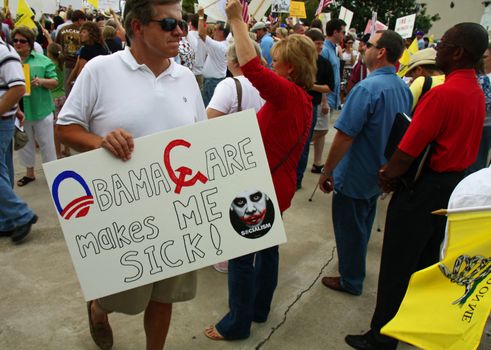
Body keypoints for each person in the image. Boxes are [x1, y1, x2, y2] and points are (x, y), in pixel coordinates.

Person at [56, 0, 206, 349]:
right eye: (169, 25)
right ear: (137, 27)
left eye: (181, 23)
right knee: (119, 293)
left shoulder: (185, 78)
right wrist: (99, 142)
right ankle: (98, 308)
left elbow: (199, 139)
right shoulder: (99, 70)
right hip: (119, 216)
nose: (180, 32)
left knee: (164, 296)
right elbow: (65, 129)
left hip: (175, 212)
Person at [345, 23, 488, 350]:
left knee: (397, 265)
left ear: (458, 52)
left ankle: (381, 337)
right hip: (451, 189)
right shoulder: (475, 91)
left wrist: (387, 175)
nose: (436, 48)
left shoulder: (443, 93)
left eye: (444, 43)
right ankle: (411, 326)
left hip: (422, 190)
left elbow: (408, 150)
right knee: (424, 263)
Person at [203, 0, 316, 341]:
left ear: (290, 68)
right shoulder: (302, 99)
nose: (271, 63)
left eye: (277, 59)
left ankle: (237, 323)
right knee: (267, 250)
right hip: (275, 187)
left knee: (241, 258)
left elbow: (250, 66)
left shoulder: (287, 95)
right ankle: (259, 309)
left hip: (261, 190)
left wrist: (236, 18)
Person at [317, 30, 412, 296]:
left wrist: (327, 171)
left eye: (368, 45)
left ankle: (351, 278)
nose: (362, 48)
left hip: (356, 173)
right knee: (362, 224)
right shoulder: (402, 87)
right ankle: (353, 268)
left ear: (381, 52)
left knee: (350, 227)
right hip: (378, 172)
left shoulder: (367, 88)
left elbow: (344, 136)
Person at [0, 35, 37, 244]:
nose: (18, 43)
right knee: (3, 170)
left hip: (1, 120)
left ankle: (21, 215)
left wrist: (10, 110)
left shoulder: (3, 53)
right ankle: (6, 219)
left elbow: (18, 88)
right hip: (5, 118)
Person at [12, 27, 58, 187]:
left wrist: (42, 82)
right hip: (20, 111)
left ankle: (53, 175)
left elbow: (54, 81)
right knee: (25, 144)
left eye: (22, 41)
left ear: (30, 43)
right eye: (15, 40)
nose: (18, 44)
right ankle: (29, 174)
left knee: (47, 144)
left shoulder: (43, 60)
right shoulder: (9, 61)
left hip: (41, 110)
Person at [296, 29, 334, 190]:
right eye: (318, 43)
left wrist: (312, 86)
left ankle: (297, 179)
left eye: (322, 43)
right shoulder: (297, 60)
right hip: (293, 104)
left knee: (303, 144)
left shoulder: (324, 63)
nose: (320, 47)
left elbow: (329, 87)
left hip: (311, 106)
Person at [311, 18, 345, 174]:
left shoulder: (333, 49)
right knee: (320, 129)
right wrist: (324, 100)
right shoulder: (324, 50)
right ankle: (312, 157)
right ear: (335, 32)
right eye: (343, 32)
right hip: (324, 98)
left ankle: (317, 161)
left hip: (331, 96)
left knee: (321, 129)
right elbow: (321, 77)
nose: (344, 35)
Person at [198, 7, 229, 107]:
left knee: (206, 110)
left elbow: (201, 34)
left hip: (212, 83)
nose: (213, 31)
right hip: (215, 81)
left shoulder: (218, 46)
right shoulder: (225, 43)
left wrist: (201, 16)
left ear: (221, 32)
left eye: (215, 29)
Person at [47, 42, 71, 158]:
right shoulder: (62, 63)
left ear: (49, 53)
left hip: (53, 97)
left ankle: (57, 153)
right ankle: (67, 148)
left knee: (55, 129)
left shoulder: (50, 64)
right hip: (63, 96)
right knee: (64, 124)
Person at [67, 21, 109, 86]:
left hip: (88, 84)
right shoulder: (103, 47)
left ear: (91, 34)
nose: (80, 34)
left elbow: (80, 72)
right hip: (101, 82)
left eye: (84, 32)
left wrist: (73, 84)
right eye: (80, 32)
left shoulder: (85, 50)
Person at [56, 9, 87, 95]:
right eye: (84, 20)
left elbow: (57, 45)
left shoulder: (62, 29)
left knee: (67, 89)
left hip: (65, 63)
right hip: (78, 64)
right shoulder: (83, 32)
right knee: (78, 90)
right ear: (80, 20)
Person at [187, 14, 206, 89]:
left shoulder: (187, 36)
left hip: (190, 71)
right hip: (201, 71)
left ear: (190, 23)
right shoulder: (205, 37)